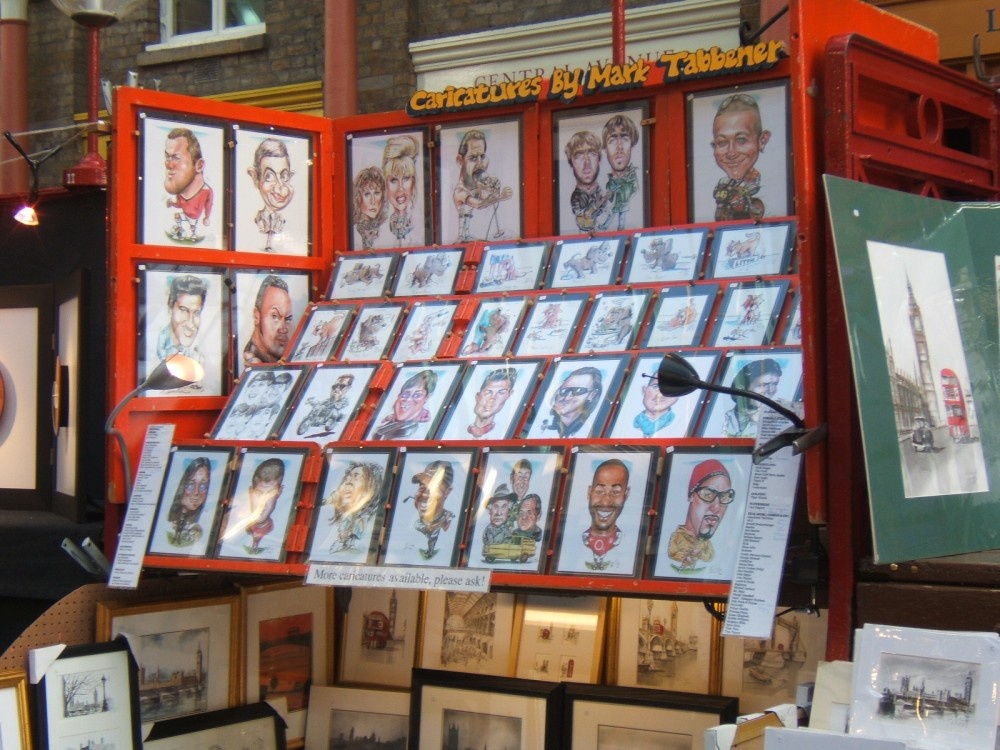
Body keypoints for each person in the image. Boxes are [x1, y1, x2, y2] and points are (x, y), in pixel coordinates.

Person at [710, 93, 771, 222]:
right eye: (722, 142)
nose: (731, 152)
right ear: (714, 147)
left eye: (741, 140)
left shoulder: (759, 180)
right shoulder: (723, 182)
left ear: (762, 141)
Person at [667, 459, 736, 570]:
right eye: (708, 494)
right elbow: (672, 554)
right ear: (691, 496)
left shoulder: (707, 545)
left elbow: (709, 558)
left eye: (724, 497)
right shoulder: (677, 537)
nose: (717, 507)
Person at [453, 129, 512, 242]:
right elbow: (479, 205)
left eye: (482, 157)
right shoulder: (460, 191)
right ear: (460, 161)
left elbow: (486, 200)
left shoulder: (477, 185)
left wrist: (491, 186)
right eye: (473, 158)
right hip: (463, 242)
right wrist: (500, 197)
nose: (480, 164)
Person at [323, 460, 384, 553]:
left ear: (371, 487)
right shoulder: (332, 520)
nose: (348, 482)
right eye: (347, 478)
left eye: (356, 477)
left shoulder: (372, 523)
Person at [164, 127, 213, 243]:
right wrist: (172, 204)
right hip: (186, 214)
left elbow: (208, 205)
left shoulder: (206, 191)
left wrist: (207, 217)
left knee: (192, 225)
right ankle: (180, 232)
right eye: (167, 157)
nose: (168, 165)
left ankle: (193, 234)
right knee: (178, 216)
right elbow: (180, 204)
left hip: (193, 217)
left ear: (199, 165)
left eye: (176, 157)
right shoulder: (180, 192)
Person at [247, 138, 295, 252]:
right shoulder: (250, 223)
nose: (280, 186)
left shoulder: (293, 228)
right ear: (255, 178)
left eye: (284, 176)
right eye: (269, 176)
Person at [582, 458, 630, 570]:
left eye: (615, 492)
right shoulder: (572, 542)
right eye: (600, 491)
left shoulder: (630, 546)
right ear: (589, 492)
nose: (605, 501)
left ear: (626, 495)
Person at [155, 274, 207, 375]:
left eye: (197, 313)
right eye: (183, 310)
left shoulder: (194, 350)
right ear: (171, 307)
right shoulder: (163, 336)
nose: (190, 323)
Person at [722, 358, 783, 438]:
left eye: (775, 384)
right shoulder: (728, 417)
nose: (771, 390)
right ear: (742, 388)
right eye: (765, 385)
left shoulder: (779, 414)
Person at [407, 460, 455, 560]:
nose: (425, 495)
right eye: (421, 488)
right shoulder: (408, 525)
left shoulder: (452, 526)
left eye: (434, 489)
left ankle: (430, 551)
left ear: (447, 492)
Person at [372, 369, 437, 440]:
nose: (408, 399)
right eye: (405, 394)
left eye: (417, 395)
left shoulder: (416, 433)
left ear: (426, 398)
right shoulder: (384, 426)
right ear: (399, 395)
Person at [565, 130, 610, 233]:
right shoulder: (575, 198)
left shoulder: (601, 193)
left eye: (592, 154)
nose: (587, 163)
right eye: (579, 156)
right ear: (571, 162)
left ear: (599, 159)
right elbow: (582, 222)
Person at [243, 275, 293, 366]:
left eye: (288, 318)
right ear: (256, 316)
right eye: (274, 316)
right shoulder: (252, 359)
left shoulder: (277, 357)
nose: (283, 329)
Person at [540, 366, 603, 437]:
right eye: (564, 391)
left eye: (578, 391)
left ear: (592, 395)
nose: (566, 398)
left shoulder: (588, 430)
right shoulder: (543, 427)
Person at [602, 114, 639, 230]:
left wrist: (626, 197)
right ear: (604, 149)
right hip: (615, 205)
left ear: (632, 146)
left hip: (623, 204)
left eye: (624, 139)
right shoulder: (606, 182)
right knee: (612, 214)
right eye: (612, 140)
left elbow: (635, 191)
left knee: (620, 217)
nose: (619, 147)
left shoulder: (634, 177)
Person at [382, 134, 419, 246]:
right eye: (394, 180)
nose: (400, 189)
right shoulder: (379, 231)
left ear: (413, 182)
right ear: (385, 184)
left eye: (406, 178)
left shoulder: (422, 227)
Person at [243, 457, 285, 554]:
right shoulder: (232, 527)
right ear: (250, 492)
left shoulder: (280, 531)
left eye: (270, 494)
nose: (262, 502)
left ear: (279, 492)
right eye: (258, 493)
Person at [166, 457, 211, 546]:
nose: (196, 492)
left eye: (202, 486)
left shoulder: (203, 522)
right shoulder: (168, 520)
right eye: (191, 485)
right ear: (182, 486)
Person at [467, 367, 516, 437]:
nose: (492, 399)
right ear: (477, 396)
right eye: (488, 392)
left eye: (501, 393)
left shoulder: (502, 434)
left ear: (508, 396)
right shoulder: (454, 430)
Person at [633, 371, 679, 437]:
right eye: (655, 386)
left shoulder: (678, 423)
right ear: (644, 390)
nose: (660, 394)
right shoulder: (633, 422)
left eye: (669, 388)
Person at [352, 166, 387, 250]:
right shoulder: (351, 233)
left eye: (377, 193)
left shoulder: (387, 231)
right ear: (358, 198)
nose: (373, 201)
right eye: (367, 194)